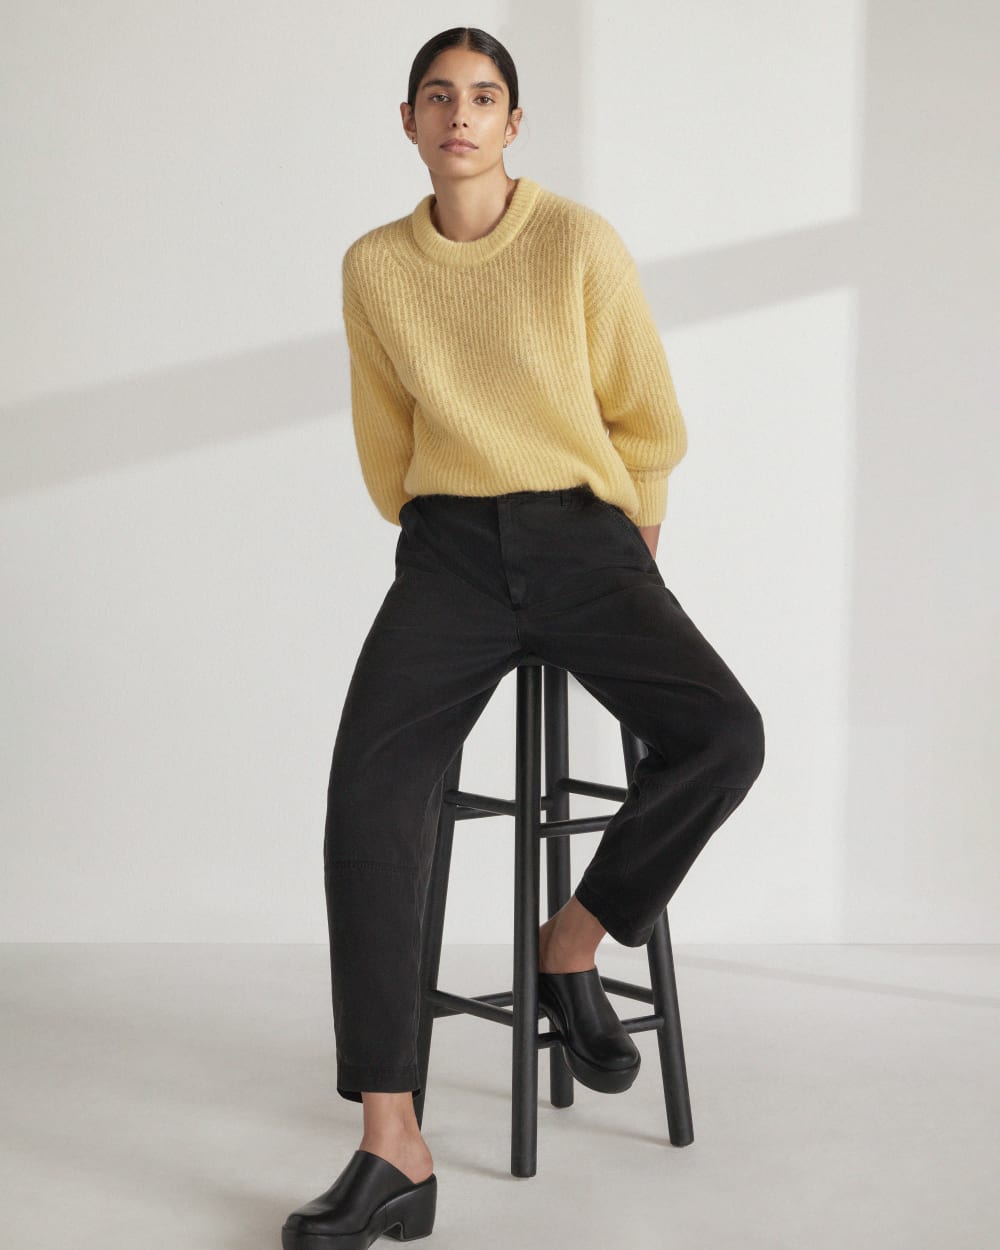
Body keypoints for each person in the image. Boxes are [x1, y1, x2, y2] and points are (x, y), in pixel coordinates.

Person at [282, 25, 765, 1250]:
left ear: (512, 123)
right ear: (407, 121)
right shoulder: (374, 265)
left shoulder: (576, 242)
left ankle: (571, 939)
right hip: (447, 549)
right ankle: (391, 1142)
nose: (460, 115)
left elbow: (644, 417)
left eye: (484, 96)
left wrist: (629, 554)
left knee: (723, 733)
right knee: (366, 798)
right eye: (438, 96)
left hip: (585, 538)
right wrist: (438, 530)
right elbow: (385, 436)